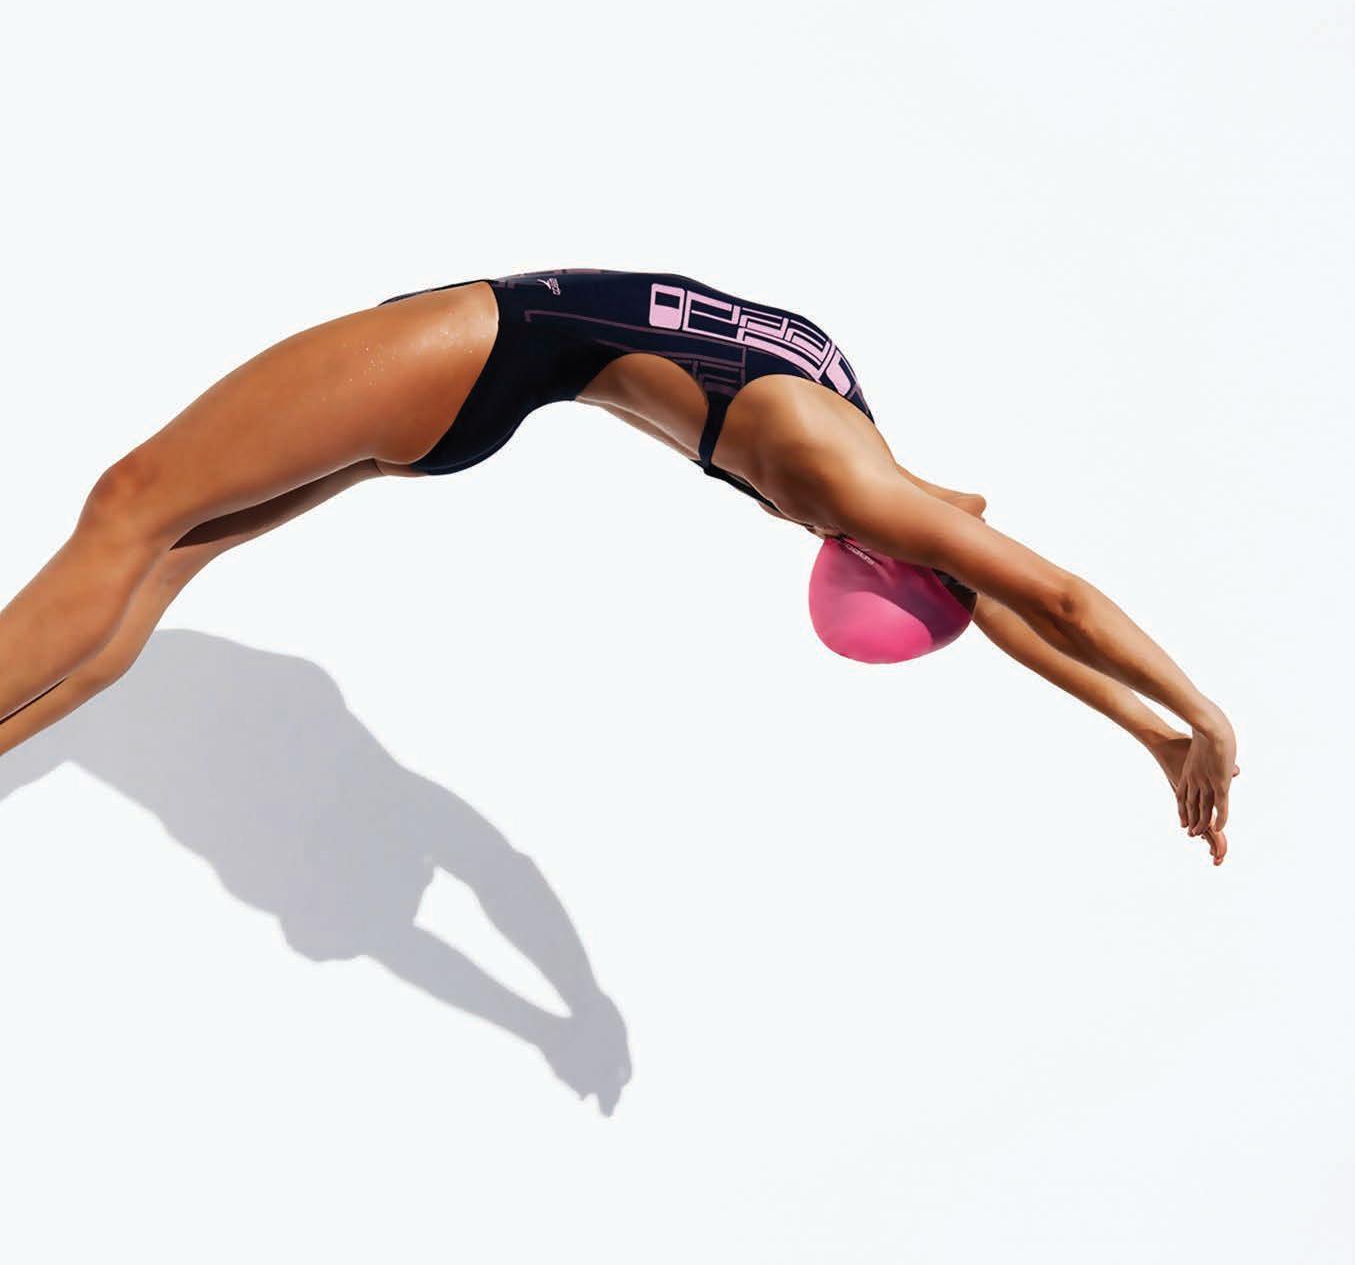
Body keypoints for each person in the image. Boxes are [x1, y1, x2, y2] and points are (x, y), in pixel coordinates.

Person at [0, 266, 1238, 860]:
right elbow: (1012, 602)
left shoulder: (846, 475)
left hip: (478, 348)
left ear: (880, 551)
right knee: (164, 563)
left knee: (129, 506)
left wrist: (1204, 714)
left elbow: (1053, 595)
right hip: (478, 387)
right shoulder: (875, 472)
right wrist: (1152, 735)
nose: (971, 537)